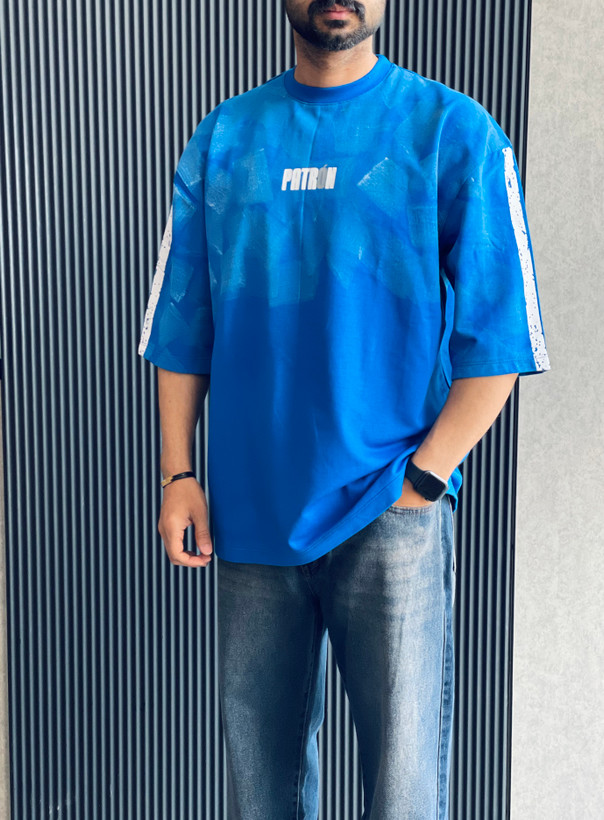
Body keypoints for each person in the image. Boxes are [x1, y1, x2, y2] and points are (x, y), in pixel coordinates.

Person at [138, 1, 550, 817]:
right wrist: (178, 475)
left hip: (390, 513)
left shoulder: (453, 132)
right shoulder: (224, 139)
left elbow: (503, 336)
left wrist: (423, 480)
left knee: (402, 795)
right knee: (262, 793)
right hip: (253, 516)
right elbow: (182, 325)